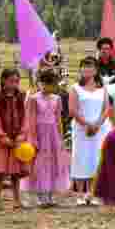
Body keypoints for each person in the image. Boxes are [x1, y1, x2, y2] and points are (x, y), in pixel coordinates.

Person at [22, 69, 70, 207]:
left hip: (53, 133)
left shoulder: (57, 98)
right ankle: (41, 195)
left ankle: (50, 194)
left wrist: (60, 138)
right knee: (40, 164)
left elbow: (58, 119)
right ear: (39, 83)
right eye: (44, 83)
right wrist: (32, 138)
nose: (47, 87)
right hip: (39, 133)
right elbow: (30, 120)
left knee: (53, 163)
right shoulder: (33, 99)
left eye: (50, 84)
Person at [69, 57, 112, 205]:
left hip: (99, 128)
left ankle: (92, 193)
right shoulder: (75, 88)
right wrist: (87, 124)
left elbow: (107, 108)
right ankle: (80, 194)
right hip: (81, 129)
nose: (87, 70)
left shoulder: (102, 88)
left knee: (96, 158)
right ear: (81, 70)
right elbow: (72, 110)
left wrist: (98, 124)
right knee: (81, 158)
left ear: (95, 70)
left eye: (90, 67)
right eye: (84, 67)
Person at [0, 69, 31, 209]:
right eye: (11, 81)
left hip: (17, 139)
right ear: (3, 81)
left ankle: (17, 200)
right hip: (2, 139)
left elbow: (27, 118)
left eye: (17, 81)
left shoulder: (23, 97)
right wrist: (1, 136)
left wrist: (22, 135)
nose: (14, 84)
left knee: (16, 172)